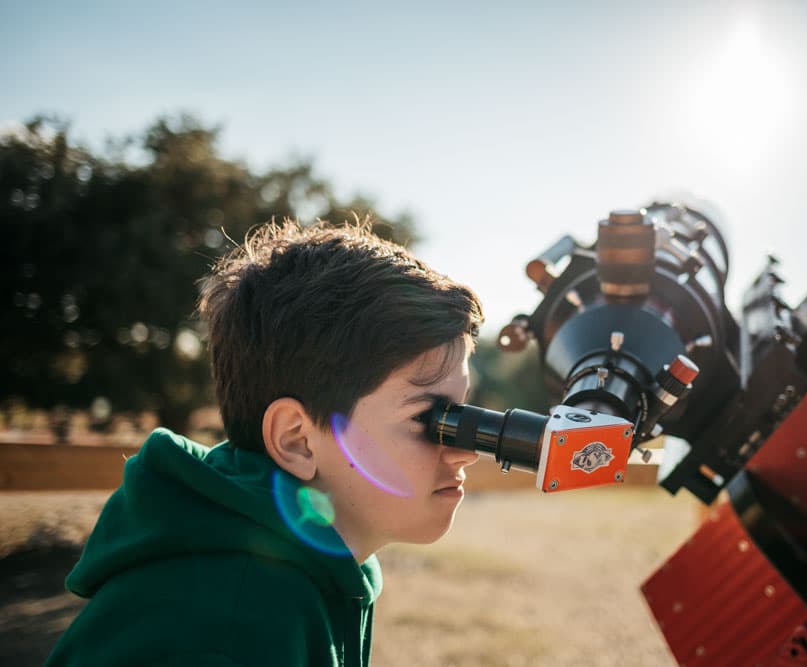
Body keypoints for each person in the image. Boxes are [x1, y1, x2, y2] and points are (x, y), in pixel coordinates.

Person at [47, 218, 484, 667]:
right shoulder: (229, 626)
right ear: (297, 440)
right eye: (429, 418)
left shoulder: (318, 566)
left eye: (461, 414)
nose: (465, 449)